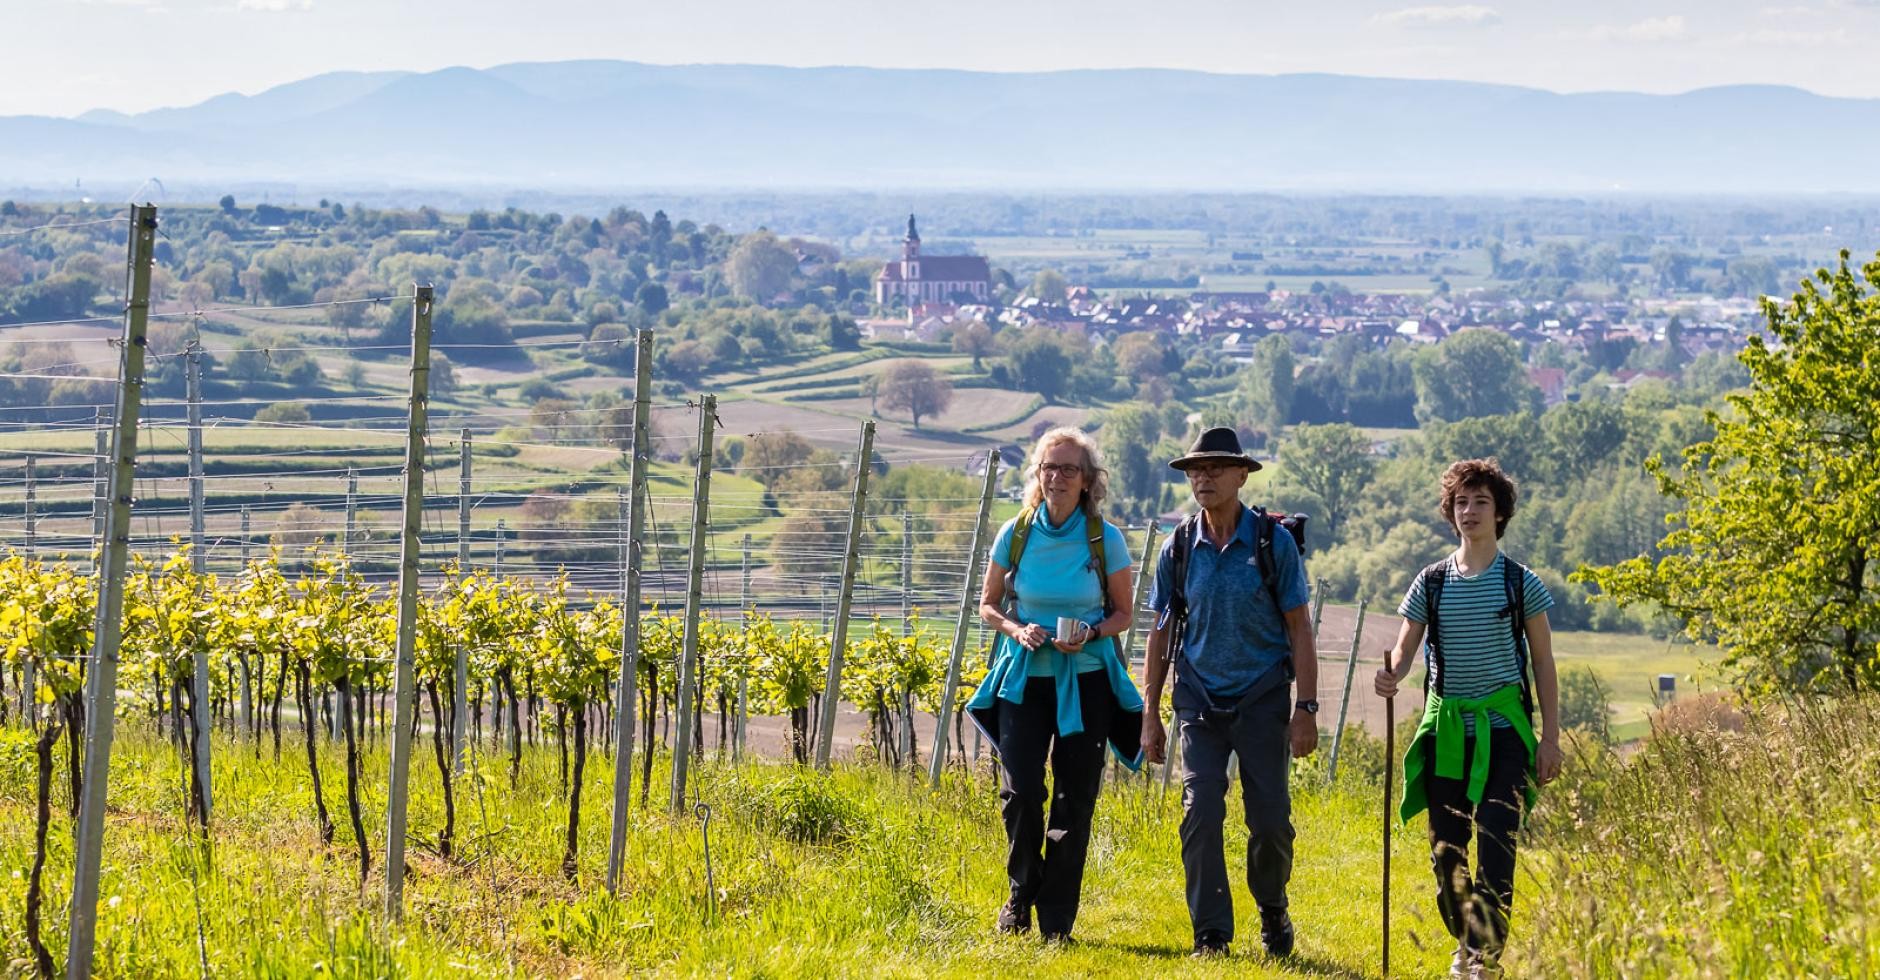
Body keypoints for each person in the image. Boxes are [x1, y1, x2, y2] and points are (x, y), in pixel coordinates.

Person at [1374, 458, 1563, 979]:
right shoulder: (1431, 582)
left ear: (1500, 513)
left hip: (1505, 730)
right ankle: (1466, 938)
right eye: (1461, 502)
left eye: (1481, 502)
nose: (1470, 510)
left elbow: (1543, 663)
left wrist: (1549, 738)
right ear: (1450, 513)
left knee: (1498, 840)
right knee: (1447, 852)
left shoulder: (1521, 583)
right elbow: (1404, 648)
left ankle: (1482, 956)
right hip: (1448, 729)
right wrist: (1390, 674)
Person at [1140, 426, 1320, 959]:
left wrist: (1305, 709)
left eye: (1217, 467)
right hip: (1198, 699)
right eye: (1196, 469)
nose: (1204, 477)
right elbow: (1160, 632)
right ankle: (1211, 936)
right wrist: (1150, 712)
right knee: (1201, 811)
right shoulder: (1178, 547)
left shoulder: (1272, 542)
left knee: (1269, 821)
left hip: (1262, 697)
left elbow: (1299, 627)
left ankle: (1271, 906)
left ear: (1242, 475)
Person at [968, 427, 1144, 943]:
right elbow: (988, 605)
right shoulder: (1016, 533)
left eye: (1069, 469)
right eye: (1049, 466)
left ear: (1088, 481)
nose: (1057, 477)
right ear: (1037, 475)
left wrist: (1089, 631)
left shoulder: (1103, 538)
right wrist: (1016, 628)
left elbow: (1125, 615)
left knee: (1074, 798)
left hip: (1086, 680)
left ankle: (1057, 921)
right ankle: (1022, 893)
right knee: (1020, 791)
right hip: (1024, 679)